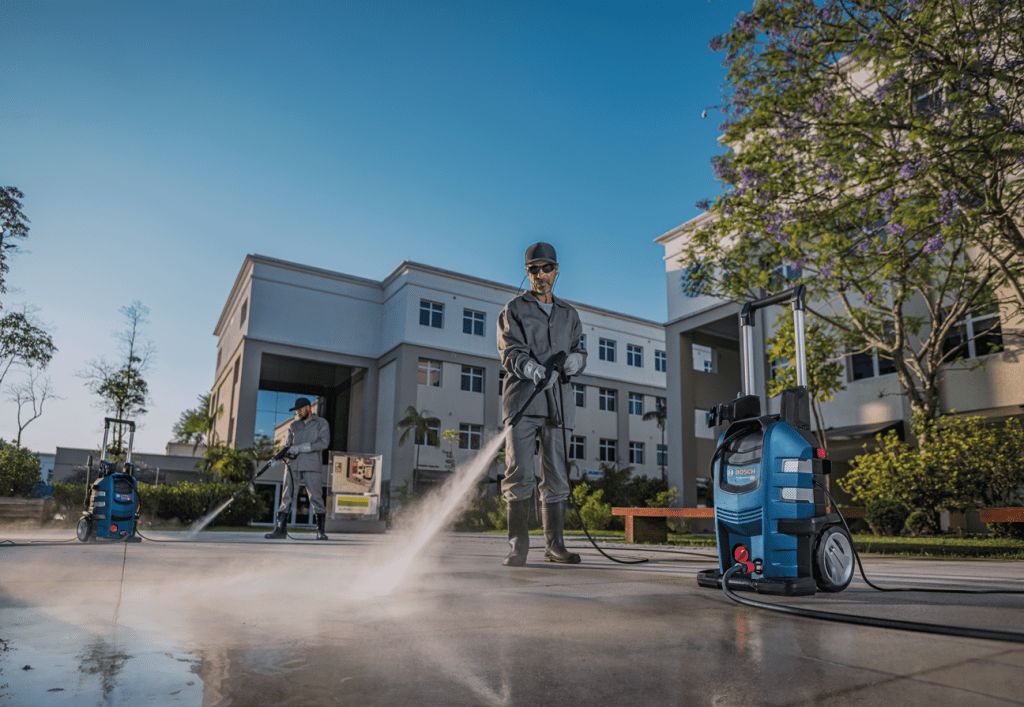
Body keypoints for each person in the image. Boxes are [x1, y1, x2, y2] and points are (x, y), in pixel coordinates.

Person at [496, 242, 587, 566]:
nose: (541, 275)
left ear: (556, 269)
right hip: (522, 402)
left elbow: (579, 349)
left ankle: (555, 546)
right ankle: (518, 547)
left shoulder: (569, 314)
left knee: (558, 477)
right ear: (527, 273)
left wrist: (577, 361)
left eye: (546, 268)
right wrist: (532, 369)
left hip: (559, 405)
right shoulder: (514, 310)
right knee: (519, 473)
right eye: (534, 270)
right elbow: (510, 352)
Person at [264, 397, 332, 541]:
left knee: (316, 497)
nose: (298, 413)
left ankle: (320, 531)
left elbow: (323, 443)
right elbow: (288, 446)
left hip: (312, 465)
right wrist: (276, 459)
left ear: (308, 408)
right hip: (293, 465)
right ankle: (280, 529)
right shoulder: (293, 426)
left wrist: (301, 448)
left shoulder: (321, 423)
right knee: (286, 496)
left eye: (299, 410)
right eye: (296, 411)